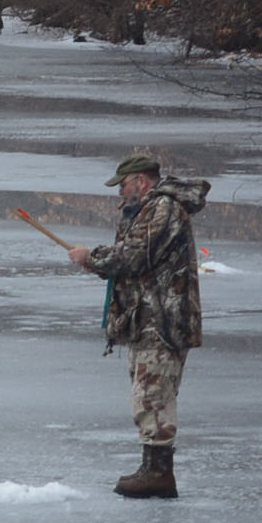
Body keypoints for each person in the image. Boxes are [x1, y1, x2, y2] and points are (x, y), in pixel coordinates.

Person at [69, 150, 211, 498]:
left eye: (124, 185)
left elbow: (135, 255)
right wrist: (101, 263)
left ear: (141, 181)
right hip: (146, 318)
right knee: (147, 393)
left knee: (153, 394)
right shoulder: (148, 209)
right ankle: (152, 467)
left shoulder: (162, 208)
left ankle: (159, 473)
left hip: (162, 320)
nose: (120, 192)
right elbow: (136, 259)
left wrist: (93, 257)